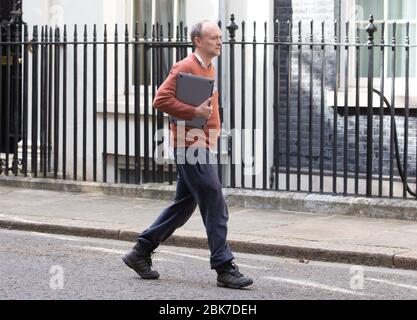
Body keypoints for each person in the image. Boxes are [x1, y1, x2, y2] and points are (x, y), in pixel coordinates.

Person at [122, 19, 253, 289]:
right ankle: (223, 266)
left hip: (204, 143)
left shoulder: (209, 68)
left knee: (183, 206)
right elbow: (160, 99)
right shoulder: (184, 67)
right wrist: (194, 113)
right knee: (214, 197)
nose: (219, 42)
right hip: (190, 145)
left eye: (219, 37)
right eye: (214, 38)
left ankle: (141, 251)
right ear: (198, 41)